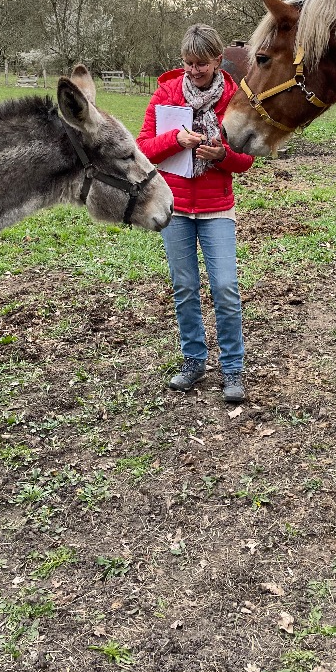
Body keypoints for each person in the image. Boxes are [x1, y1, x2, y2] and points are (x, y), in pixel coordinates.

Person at [137, 24, 254, 403]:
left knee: (225, 288)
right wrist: (175, 139)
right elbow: (142, 148)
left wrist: (222, 155)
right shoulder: (167, 93)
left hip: (216, 207)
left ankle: (232, 368)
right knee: (185, 287)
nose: (193, 70)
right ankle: (193, 361)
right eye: (187, 63)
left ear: (218, 61)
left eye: (201, 64)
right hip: (175, 207)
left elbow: (246, 160)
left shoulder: (235, 98)